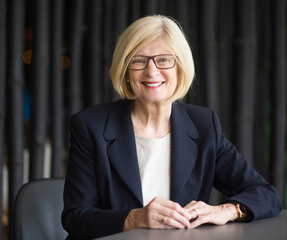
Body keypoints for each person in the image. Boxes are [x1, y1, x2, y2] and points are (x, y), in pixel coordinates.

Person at [61, 15, 282, 239]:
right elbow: (76, 217)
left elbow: (266, 194)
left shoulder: (204, 126)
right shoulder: (90, 126)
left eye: (164, 59)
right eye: (138, 60)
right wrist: (134, 218)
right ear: (125, 69)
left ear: (180, 67)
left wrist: (225, 210)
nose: (151, 71)